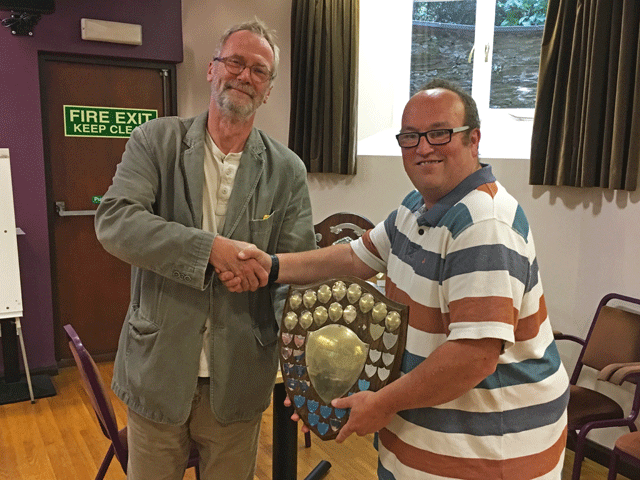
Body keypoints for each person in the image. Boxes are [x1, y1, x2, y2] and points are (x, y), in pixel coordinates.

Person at [224, 79, 569, 479]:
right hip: (422, 444)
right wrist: (272, 266)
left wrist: (384, 403)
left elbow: (472, 357)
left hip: (488, 453)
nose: (423, 147)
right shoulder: (416, 207)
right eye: (410, 137)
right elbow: (356, 258)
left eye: (439, 133)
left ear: (473, 139)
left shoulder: (483, 224)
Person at [94, 19, 316, 480]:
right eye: (235, 62)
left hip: (239, 378)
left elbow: (296, 276)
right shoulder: (156, 141)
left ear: (269, 89)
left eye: (259, 70)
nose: (244, 76)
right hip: (158, 369)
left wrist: (303, 365)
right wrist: (210, 250)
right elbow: (115, 222)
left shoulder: (287, 170)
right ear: (212, 71)